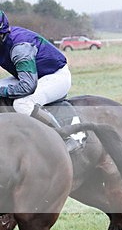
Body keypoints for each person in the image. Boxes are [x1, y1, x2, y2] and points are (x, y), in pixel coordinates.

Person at [0, 10, 83, 152]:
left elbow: (28, 86)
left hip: (56, 76)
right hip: (31, 75)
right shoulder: (3, 40)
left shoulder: (20, 48)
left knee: (22, 103)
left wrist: (3, 91)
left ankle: (65, 138)